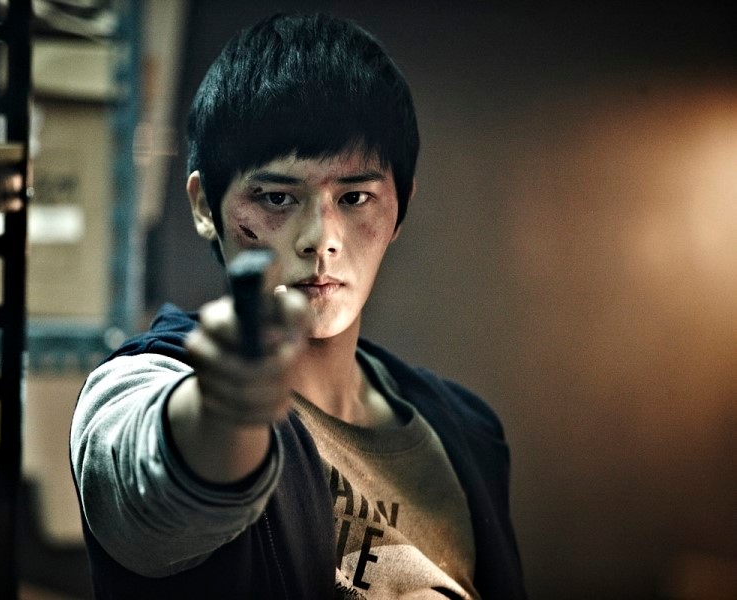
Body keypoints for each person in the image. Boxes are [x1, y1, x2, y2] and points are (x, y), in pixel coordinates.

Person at [70, 12, 526, 600]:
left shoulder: (466, 430)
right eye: (277, 198)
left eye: (355, 197)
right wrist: (222, 411)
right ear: (205, 206)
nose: (320, 237)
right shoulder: (141, 384)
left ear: (401, 207)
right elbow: (143, 485)